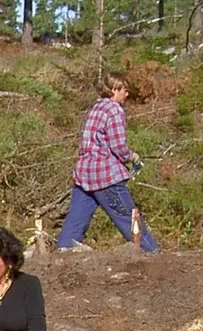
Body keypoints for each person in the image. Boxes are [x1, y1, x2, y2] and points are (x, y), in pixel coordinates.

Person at [55, 74, 158, 253]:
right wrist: (132, 157)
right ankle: (152, 254)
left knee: (74, 224)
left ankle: (60, 257)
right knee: (128, 218)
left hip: (84, 174)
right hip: (106, 177)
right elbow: (119, 146)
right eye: (125, 90)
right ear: (114, 90)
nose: (127, 94)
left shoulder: (95, 108)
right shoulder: (114, 110)